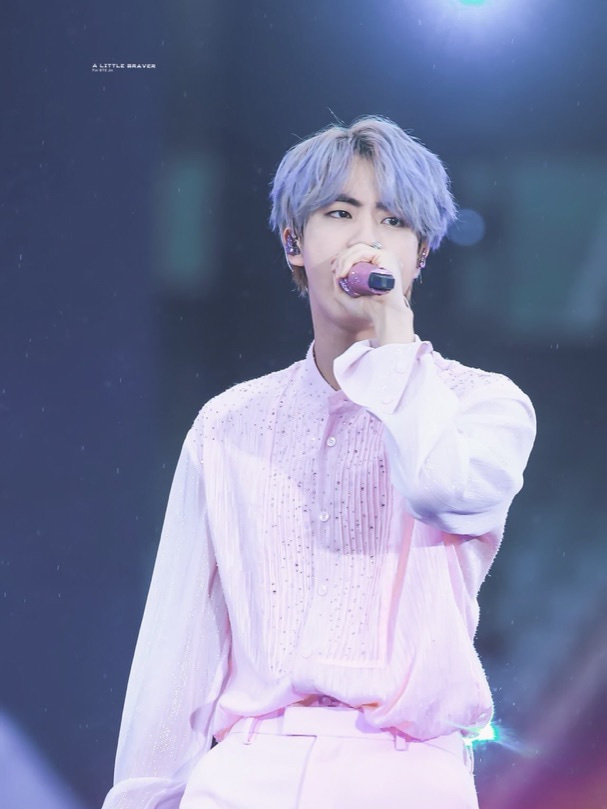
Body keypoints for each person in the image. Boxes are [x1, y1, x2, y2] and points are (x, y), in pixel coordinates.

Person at [102, 116, 536, 809]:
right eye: (340, 213)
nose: (366, 239)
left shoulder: (484, 404)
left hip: (404, 773)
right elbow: (179, 652)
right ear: (293, 242)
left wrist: (394, 340)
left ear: (420, 253)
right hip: (245, 772)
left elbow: (439, 488)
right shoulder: (227, 425)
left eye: (393, 221)